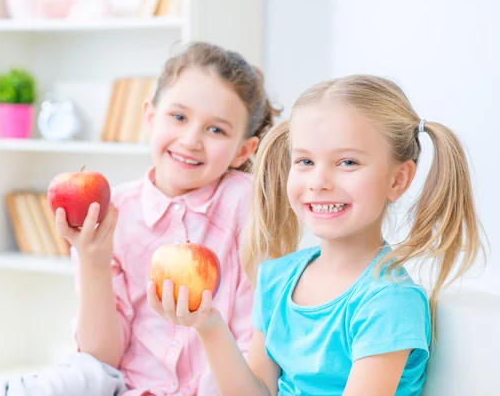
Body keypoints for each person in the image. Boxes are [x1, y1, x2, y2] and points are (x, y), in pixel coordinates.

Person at [148, 74, 486, 395]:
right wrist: (209, 325)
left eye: (348, 162)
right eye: (305, 161)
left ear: (397, 180)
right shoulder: (277, 278)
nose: (319, 182)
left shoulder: (388, 301)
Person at [3, 41, 279, 396]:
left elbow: (254, 358)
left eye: (216, 130)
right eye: (178, 117)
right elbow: (102, 360)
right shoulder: (111, 210)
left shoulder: (250, 208)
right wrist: (93, 262)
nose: (191, 140)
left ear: (243, 150)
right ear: (149, 117)